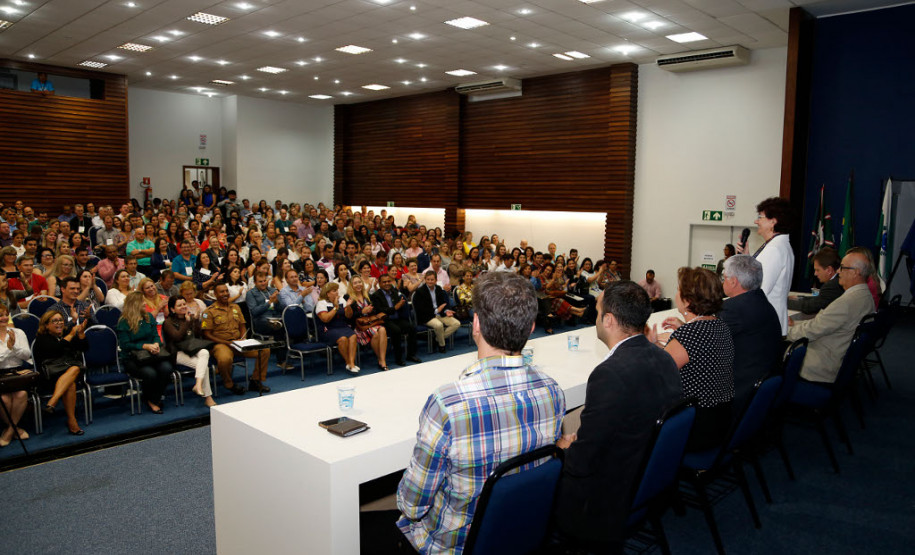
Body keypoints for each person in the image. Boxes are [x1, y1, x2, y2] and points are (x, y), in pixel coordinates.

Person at [392, 272, 565, 554]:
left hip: (454, 546)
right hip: (521, 533)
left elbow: (411, 505)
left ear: (475, 324)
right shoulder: (552, 392)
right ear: (531, 327)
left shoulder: (448, 405)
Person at [552, 281, 682, 553]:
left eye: (597, 312)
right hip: (649, 477)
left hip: (608, 497)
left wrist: (566, 448)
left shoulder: (610, 374)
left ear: (608, 320)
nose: (595, 317)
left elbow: (582, 463)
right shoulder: (663, 357)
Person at [650, 267, 734, 450]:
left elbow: (656, 372)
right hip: (720, 420)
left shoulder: (690, 335)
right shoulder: (720, 326)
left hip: (694, 427)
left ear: (688, 301)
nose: (676, 293)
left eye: (679, 289)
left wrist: (646, 344)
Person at [786, 250, 876, 384]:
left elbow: (811, 331)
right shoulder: (866, 297)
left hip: (821, 365)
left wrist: (783, 331)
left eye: (843, 267)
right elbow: (821, 324)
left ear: (856, 272)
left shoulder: (846, 303)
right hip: (839, 357)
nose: (838, 271)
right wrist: (795, 324)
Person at [718, 255, 783, 412]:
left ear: (733, 281)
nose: (722, 281)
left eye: (724, 277)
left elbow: (707, 342)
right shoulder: (760, 300)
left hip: (740, 391)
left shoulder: (733, 308)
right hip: (764, 385)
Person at [738, 197, 794, 334]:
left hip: (766, 323)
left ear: (773, 221)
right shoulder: (776, 245)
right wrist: (747, 256)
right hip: (769, 321)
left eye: (760, 217)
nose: (756, 221)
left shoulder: (774, 249)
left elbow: (760, 289)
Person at [202, 283, 267, 395]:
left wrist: (243, 339)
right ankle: (229, 384)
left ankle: (256, 380)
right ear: (215, 294)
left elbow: (242, 325)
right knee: (225, 358)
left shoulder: (235, 307)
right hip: (221, 344)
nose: (225, 294)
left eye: (226, 291)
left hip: (238, 342)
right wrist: (227, 342)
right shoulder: (208, 312)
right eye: (222, 292)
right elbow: (206, 334)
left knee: (264, 350)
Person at [116, 291, 172, 414]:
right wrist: (144, 346)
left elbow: (155, 335)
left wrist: (157, 344)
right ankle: (151, 400)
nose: (144, 303)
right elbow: (125, 345)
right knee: (150, 373)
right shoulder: (124, 322)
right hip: (132, 358)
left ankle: (155, 398)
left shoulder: (149, 317)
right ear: (134, 304)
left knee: (167, 368)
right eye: (142, 301)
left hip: (151, 354)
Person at [33, 310, 88, 435]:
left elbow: (84, 348)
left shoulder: (66, 334)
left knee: (74, 371)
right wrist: (71, 334)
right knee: (72, 380)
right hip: (49, 377)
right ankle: (72, 421)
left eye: (61, 320)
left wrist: (81, 333)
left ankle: (53, 402)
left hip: (68, 373)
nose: (59, 323)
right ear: (46, 325)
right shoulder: (41, 339)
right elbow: (56, 350)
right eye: (55, 321)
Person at [162, 296, 215, 408]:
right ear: (172, 309)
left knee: (205, 352)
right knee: (204, 367)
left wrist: (195, 321)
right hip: (177, 353)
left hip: (191, 349)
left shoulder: (189, 318)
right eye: (179, 305)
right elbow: (177, 337)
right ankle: (208, 397)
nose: (183, 307)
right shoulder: (168, 322)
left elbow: (197, 335)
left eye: (184, 304)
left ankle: (198, 384)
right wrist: (187, 322)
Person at [371, 273, 420, 366]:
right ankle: (398, 359)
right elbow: (380, 311)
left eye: (388, 281)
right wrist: (395, 308)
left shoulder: (394, 291)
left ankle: (411, 355)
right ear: (380, 284)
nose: (387, 283)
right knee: (396, 331)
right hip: (385, 321)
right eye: (384, 282)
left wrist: (396, 308)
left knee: (412, 328)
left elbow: (400, 306)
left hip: (397, 319)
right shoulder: (376, 296)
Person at [0, 303, 32, 447]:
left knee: (21, 394)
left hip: (17, 372)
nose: (5, 318)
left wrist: (14, 347)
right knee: (4, 399)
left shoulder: (18, 333)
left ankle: (9, 430)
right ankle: (15, 428)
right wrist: (9, 350)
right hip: (1, 374)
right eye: (1, 315)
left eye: (6, 314)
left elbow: (26, 355)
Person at [412, 270, 461, 353]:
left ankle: (436, 339)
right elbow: (421, 309)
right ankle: (442, 345)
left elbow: (443, 303)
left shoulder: (438, 288)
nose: (430, 282)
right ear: (425, 280)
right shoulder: (420, 292)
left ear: (436, 280)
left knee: (456, 323)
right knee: (439, 325)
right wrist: (436, 310)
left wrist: (446, 310)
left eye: (432, 280)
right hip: (427, 316)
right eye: (428, 279)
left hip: (440, 314)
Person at [315, 282, 359, 373]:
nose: (337, 292)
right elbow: (326, 319)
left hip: (342, 326)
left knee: (353, 336)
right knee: (342, 339)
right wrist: (336, 307)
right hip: (328, 329)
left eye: (337, 290)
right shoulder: (321, 303)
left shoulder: (341, 300)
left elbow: (349, 316)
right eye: (334, 291)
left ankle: (351, 363)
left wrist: (348, 306)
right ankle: (349, 363)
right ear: (328, 293)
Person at [789, 247, 843, 315]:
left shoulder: (832, 286)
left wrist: (784, 302)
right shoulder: (837, 281)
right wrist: (800, 298)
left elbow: (809, 307)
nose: (815, 274)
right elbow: (820, 298)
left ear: (829, 270)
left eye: (817, 270)